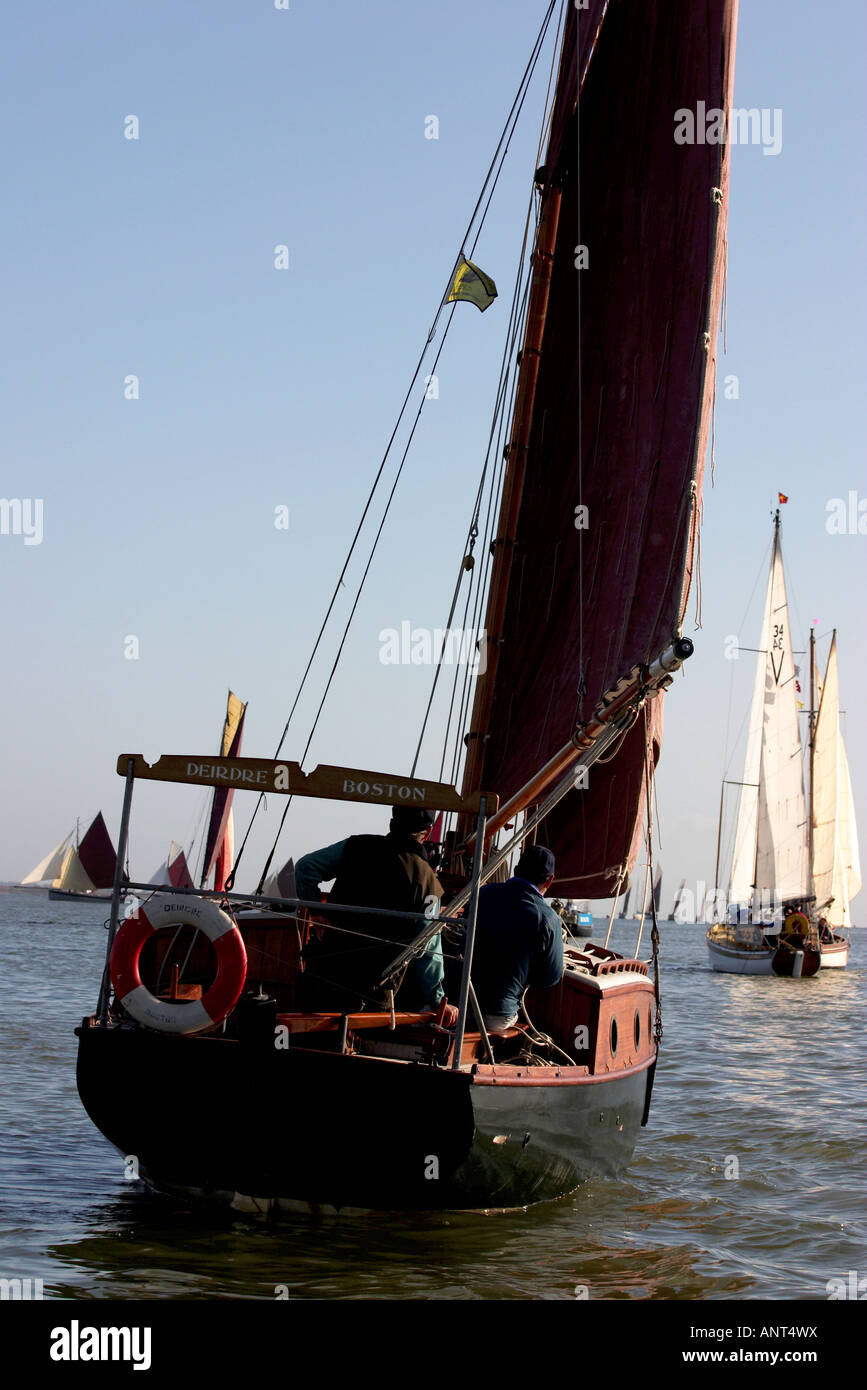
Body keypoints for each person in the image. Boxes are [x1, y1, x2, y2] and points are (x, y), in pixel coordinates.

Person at [295, 805, 453, 1017]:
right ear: (427, 832)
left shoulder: (356, 845)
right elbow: (426, 949)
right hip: (370, 994)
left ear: (393, 820)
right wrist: (436, 1000)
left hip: (324, 973)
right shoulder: (428, 883)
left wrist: (317, 914)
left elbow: (305, 868)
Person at [470, 844, 565, 1032]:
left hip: (455, 1004)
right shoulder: (548, 918)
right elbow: (550, 978)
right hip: (496, 1015)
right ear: (550, 880)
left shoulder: (482, 894)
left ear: (515, 869)